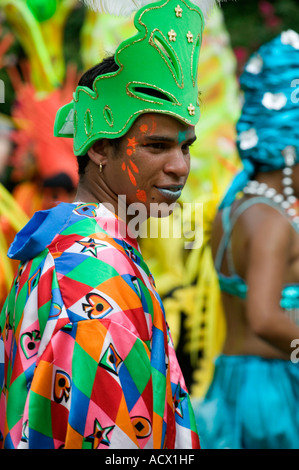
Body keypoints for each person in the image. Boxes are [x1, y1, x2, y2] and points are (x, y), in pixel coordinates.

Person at [0, 0, 212, 449]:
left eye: (186, 147)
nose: (179, 167)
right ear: (98, 149)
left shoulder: (63, 241)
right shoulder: (95, 280)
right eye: (155, 145)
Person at [194, 30, 299, 449]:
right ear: (290, 151)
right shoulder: (272, 219)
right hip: (271, 392)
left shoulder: (234, 207)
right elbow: (263, 316)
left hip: (236, 379)